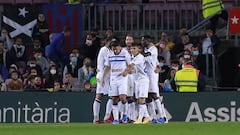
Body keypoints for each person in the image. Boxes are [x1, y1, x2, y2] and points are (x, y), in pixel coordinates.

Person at [101, 40, 131, 124]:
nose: (115, 50)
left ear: (120, 47)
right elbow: (107, 67)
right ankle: (116, 119)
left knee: (122, 98)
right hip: (113, 78)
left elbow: (131, 65)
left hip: (122, 78)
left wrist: (127, 71)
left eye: (116, 49)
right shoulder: (109, 54)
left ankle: (124, 114)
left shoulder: (125, 53)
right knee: (114, 99)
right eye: (113, 49)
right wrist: (103, 78)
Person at [142, 35, 166, 123]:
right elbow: (156, 62)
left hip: (152, 74)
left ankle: (162, 116)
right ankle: (153, 117)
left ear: (148, 40)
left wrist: (138, 52)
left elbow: (147, 55)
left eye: (143, 40)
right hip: (146, 74)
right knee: (148, 97)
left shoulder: (153, 49)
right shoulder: (145, 49)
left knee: (154, 95)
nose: (142, 42)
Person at [128, 43, 151, 124]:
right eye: (131, 49)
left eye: (134, 48)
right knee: (138, 100)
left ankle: (140, 119)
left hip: (143, 80)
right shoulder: (132, 57)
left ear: (138, 49)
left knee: (141, 99)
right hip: (137, 81)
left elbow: (131, 65)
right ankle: (147, 117)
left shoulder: (140, 57)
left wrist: (125, 70)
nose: (132, 50)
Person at [93, 38, 112, 124]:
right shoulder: (105, 50)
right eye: (111, 42)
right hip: (104, 76)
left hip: (101, 75)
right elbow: (108, 64)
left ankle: (96, 118)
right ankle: (107, 117)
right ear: (107, 42)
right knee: (113, 95)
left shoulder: (104, 50)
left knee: (99, 96)